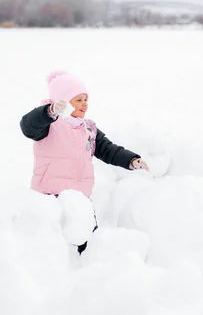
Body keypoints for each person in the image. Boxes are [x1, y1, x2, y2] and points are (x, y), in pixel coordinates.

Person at [20, 71, 149, 253]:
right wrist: (50, 112)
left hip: (80, 199)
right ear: (64, 100)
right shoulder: (49, 124)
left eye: (86, 99)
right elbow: (27, 126)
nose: (84, 104)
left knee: (89, 248)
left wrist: (131, 160)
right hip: (50, 197)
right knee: (50, 249)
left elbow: (108, 150)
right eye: (78, 100)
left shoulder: (88, 128)